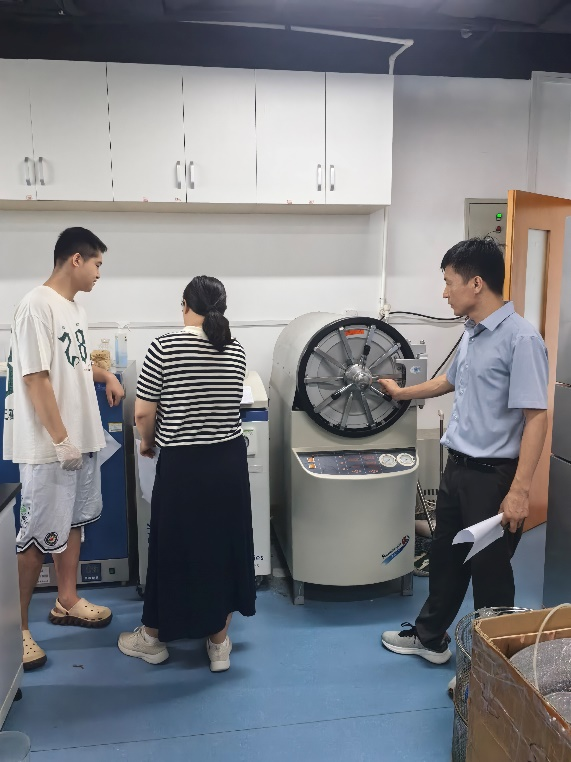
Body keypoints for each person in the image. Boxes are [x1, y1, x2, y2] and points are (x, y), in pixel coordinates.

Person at [380, 237, 548, 665]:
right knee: (446, 561)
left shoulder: (521, 339)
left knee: (490, 576)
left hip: (494, 479)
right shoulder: (473, 333)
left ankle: (493, 670)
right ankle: (430, 638)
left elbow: (536, 418)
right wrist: (401, 393)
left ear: (476, 283)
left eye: (448, 281)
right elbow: (447, 382)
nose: (444, 292)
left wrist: (520, 491)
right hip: (457, 469)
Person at [118, 275, 256, 670]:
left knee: (173, 548)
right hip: (228, 463)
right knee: (224, 547)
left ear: (184, 305)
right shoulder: (235, 349)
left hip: (184, 465)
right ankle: (219, 643)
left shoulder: (164, 346)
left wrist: (147, 443)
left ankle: (152, 640)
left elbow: (143, 412)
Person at [3, 227, 125, 671]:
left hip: (79, 441)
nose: (99, 274)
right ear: (76, 259)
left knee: (72, 524)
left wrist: (105, 375)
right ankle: (15, 632)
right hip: (51, 447)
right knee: (36, 536)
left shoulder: (73, 308)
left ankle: (66, 600)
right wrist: (60, 440)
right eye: (97, 264)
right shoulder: (35, 306)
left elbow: (73, 362)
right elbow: (35, 377)